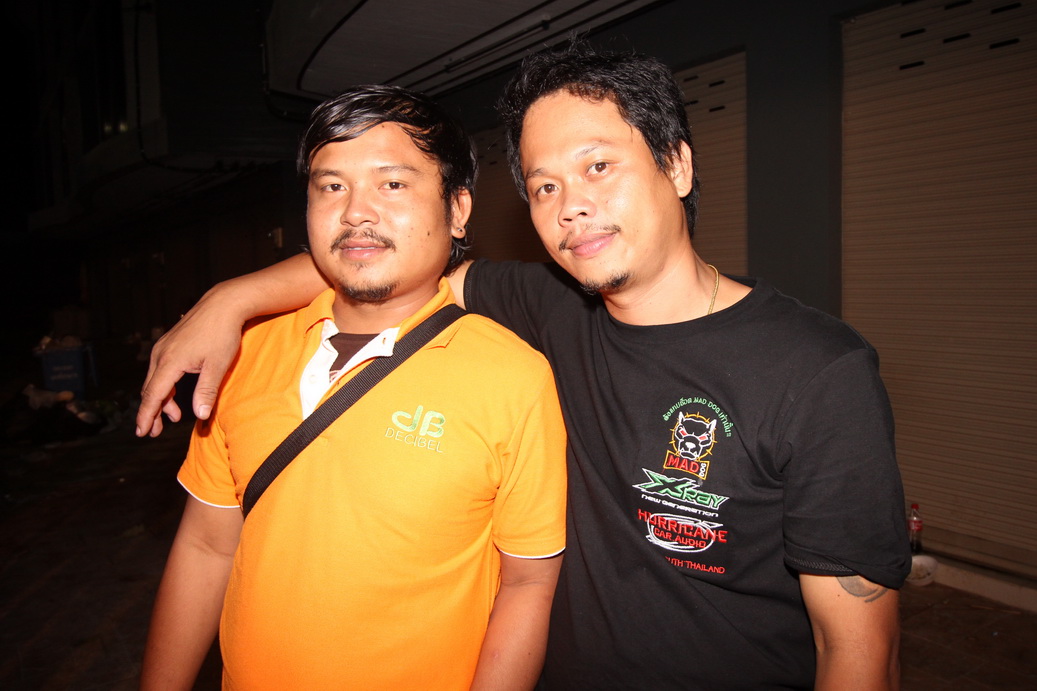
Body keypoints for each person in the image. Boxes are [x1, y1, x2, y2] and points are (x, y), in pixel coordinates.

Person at [138, 45, 910, 689]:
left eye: (598, 166)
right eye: (544, 185)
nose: (569, 204)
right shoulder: (547, 306)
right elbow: (382, 258)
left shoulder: (816, 371)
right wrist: (228, 301)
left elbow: (856, 649)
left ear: (676, 165)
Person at [139, 85, 567, 690]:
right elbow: (207, 547)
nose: (355, 212)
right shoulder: (244, 353)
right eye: (331, 186)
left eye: (392, 184)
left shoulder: (514, 377)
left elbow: (527, 583)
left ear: (457, 210)